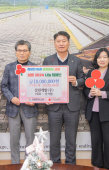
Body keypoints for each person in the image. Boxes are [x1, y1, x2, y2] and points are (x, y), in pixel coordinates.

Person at [43, 31, 85, 164]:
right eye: (58, 41)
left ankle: (70, 165)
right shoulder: (48, 60)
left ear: (68, 42)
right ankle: (55, 164)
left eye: (64, 41)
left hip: (71, 106)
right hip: (54, 106)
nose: (61, 43)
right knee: (54, 139)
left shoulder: (76, 60)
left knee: (71, 139)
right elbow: (43, 80)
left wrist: (76, 81)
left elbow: (83, 79)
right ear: (54, 43)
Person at [83, 48, 109, 170]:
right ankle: (97, 165)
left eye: (105, 57)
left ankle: (108, 166)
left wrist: (102, 93)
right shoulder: (91, 73)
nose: (102, 59)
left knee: (108, 141)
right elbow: (85, 91)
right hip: (93, 112)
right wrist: (91, 93)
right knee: (96, 140)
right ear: (96, 59)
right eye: (99, 57)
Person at [1, 40, 38, 164]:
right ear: (16, 52)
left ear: (29, 52)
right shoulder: (9, 67)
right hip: (13, 109)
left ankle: (29, 165)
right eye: (19, 50)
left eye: (25, 50)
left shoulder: (35, 68)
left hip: (30, 108)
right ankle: (15, 165)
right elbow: (4, 86)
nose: (22, 53)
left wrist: (34, 99)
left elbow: (39, 88)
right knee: (14, 139)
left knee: (30, 139)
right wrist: (11, 97)